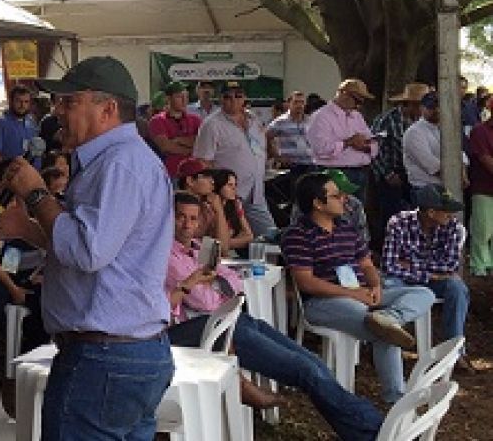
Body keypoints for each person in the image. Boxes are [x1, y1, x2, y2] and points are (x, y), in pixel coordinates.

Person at [0, 56, 174, 441]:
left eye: (69, 102)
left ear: (107, 109)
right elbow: (101, 254)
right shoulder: (118, 161)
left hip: (104, 358)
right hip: (124, 354)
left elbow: (87, 252)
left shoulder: (119, 165)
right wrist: (29, 228)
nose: (57, 112)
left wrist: (38, 194)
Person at [166, 194, 384, 440]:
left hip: (229, 321)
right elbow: (203, 301)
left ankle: (367, 428)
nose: (187, 224)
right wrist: (207, 283)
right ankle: (373, 431)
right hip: (200, 330)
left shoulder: (196, 249)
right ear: (168, 218)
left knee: (313, 362)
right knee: (305, 371)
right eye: (180, 217)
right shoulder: (168, 256)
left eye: (193, 218)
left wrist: (211, 281)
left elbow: (236, 282)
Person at [282, 172, 435, 404]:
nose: (344, 199)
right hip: (324, 302)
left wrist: (375, 286)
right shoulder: (298, 234)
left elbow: (366, 264)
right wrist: (352, 293)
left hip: (363, 294)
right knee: (382, 331)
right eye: (336, 195)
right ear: (317, 203)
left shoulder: (347, 228)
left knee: (423, 293)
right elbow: (307, 282)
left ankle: (389, 317)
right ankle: (396, 398)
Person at [381, 184, 476, 372]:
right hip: (404, 281)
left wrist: (412, 265)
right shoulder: (398, 222)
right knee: (389, 284)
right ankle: (389, 344)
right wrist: (430, 273)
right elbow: (389, 265)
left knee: (457, 288)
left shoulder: (454, 228)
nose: (451, 215)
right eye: (447, 211)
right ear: (431, 212)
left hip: (426, 279)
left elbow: (449, 266)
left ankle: (454, 352)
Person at [192, 81, 276, 236]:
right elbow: (203, 162)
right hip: (226, 194)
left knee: (270, 235)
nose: (233, 100)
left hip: (255, 192)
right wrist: (212, 192)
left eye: (238, 96)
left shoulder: (254, 120)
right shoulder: (211, 125)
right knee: (222, 237)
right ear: (220, 99)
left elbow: (261, 148)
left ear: (244, 98)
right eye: (227, 96)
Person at [306, 78, 377, 200]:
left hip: (361, 171)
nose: (358, 106)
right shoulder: (321, 117)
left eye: (362, 102)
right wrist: (348, 142)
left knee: (356, 213)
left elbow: (373, 143)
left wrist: (365, 146)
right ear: (343, 94)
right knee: (338, 213)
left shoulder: (357, 116)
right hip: (336, 173)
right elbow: (321, 149)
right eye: (357, 100)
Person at [371, 83, 429, 229]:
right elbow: (374, 149)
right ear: (409, 104)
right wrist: (388, 174)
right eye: (418, 106)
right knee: (392, 216)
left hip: (415, 175)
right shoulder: (386, 120)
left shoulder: (424, 123)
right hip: (393, 174)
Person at [175, 159, 235, 255]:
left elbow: (223, 248)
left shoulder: (207, 208)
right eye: (206, 176)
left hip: (200, 261)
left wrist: (219, 210)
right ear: (190, 181)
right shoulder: (173, 206)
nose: (212, 181)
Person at [403, 91, 455, 197]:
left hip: (445, 187)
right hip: (424, 189)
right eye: (431, 107)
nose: (437, 110)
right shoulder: (414, 132)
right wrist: (456, 173)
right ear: (422, 108)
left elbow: (459, 154)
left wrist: (462, 170)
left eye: (439, 107)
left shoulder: (446, 129)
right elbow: (431, 165)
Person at [147, 81, 201, 178]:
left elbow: (201, 142)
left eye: (186, 97)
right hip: (170, 173)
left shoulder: (195, 119)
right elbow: (165, 146)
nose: (185, 101)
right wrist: (192, 149)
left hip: (194, 173)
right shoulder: (157, 121)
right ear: (168, 98)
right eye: (179, 97)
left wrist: (178, 140)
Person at [266, 90, 316, 184]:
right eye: (296, 102)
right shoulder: (280, 122)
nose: (299, 105)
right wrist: (277, 156)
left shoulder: (310, 121)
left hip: (310, 164)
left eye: (302, 102)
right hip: (291, 165)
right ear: (289, 104)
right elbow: (266, 137)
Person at [469, 101, 493, 275]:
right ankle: (479, 267)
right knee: (482, 229)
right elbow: (485, 159)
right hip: (484, 188)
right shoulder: (480, 131)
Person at [0, 85, 40, 166]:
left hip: (34, 174)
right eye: (18, 101)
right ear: (11, 101)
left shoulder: (31, 122)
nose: (22, 105)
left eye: (26, 102)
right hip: (11, 175)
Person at [209, 168, 254, 253]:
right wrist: (236, 242)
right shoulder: (211, 208)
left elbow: (249, 236)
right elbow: (215, 243)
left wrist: (240, 213)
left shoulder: (233, 207)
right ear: (219, 186)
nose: (234, 189)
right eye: (229, 185)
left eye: (235, 185)